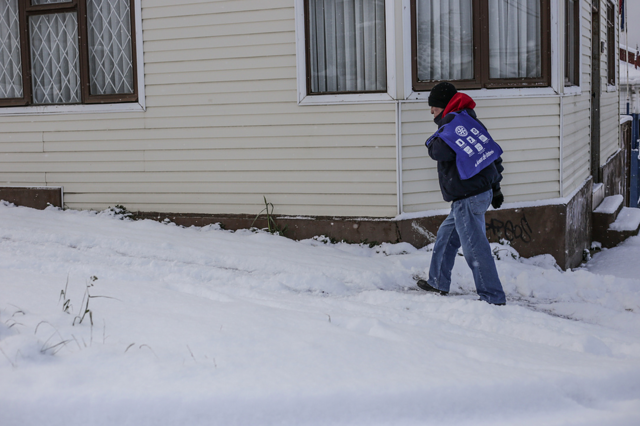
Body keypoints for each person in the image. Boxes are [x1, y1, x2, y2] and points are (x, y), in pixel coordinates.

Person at [416, 82, 506, 306]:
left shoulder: (454, 123)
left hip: (469, 197)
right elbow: (491, 154)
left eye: (434, 107)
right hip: (474, 194)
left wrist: (439, 130)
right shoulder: (468, 120)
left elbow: (438, 152)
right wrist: (496, 188)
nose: (431, 112)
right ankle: (437, 281)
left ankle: (492, 297)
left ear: (443, 105)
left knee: (475, 248)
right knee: (446, 237)